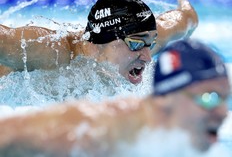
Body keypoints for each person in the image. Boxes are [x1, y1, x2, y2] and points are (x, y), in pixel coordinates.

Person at [0, 39, 230, 156]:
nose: (222, 113)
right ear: (165, 99)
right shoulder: (95, 132)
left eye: (225, 99)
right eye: (209, 98)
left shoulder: (180, 135)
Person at [0, 0, 198, 84]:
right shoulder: (52, 52)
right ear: (100, 41)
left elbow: (186, 20)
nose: (147, 56)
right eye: (137, 43)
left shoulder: (139, 48)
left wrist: (184, 2)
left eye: (150, 43)